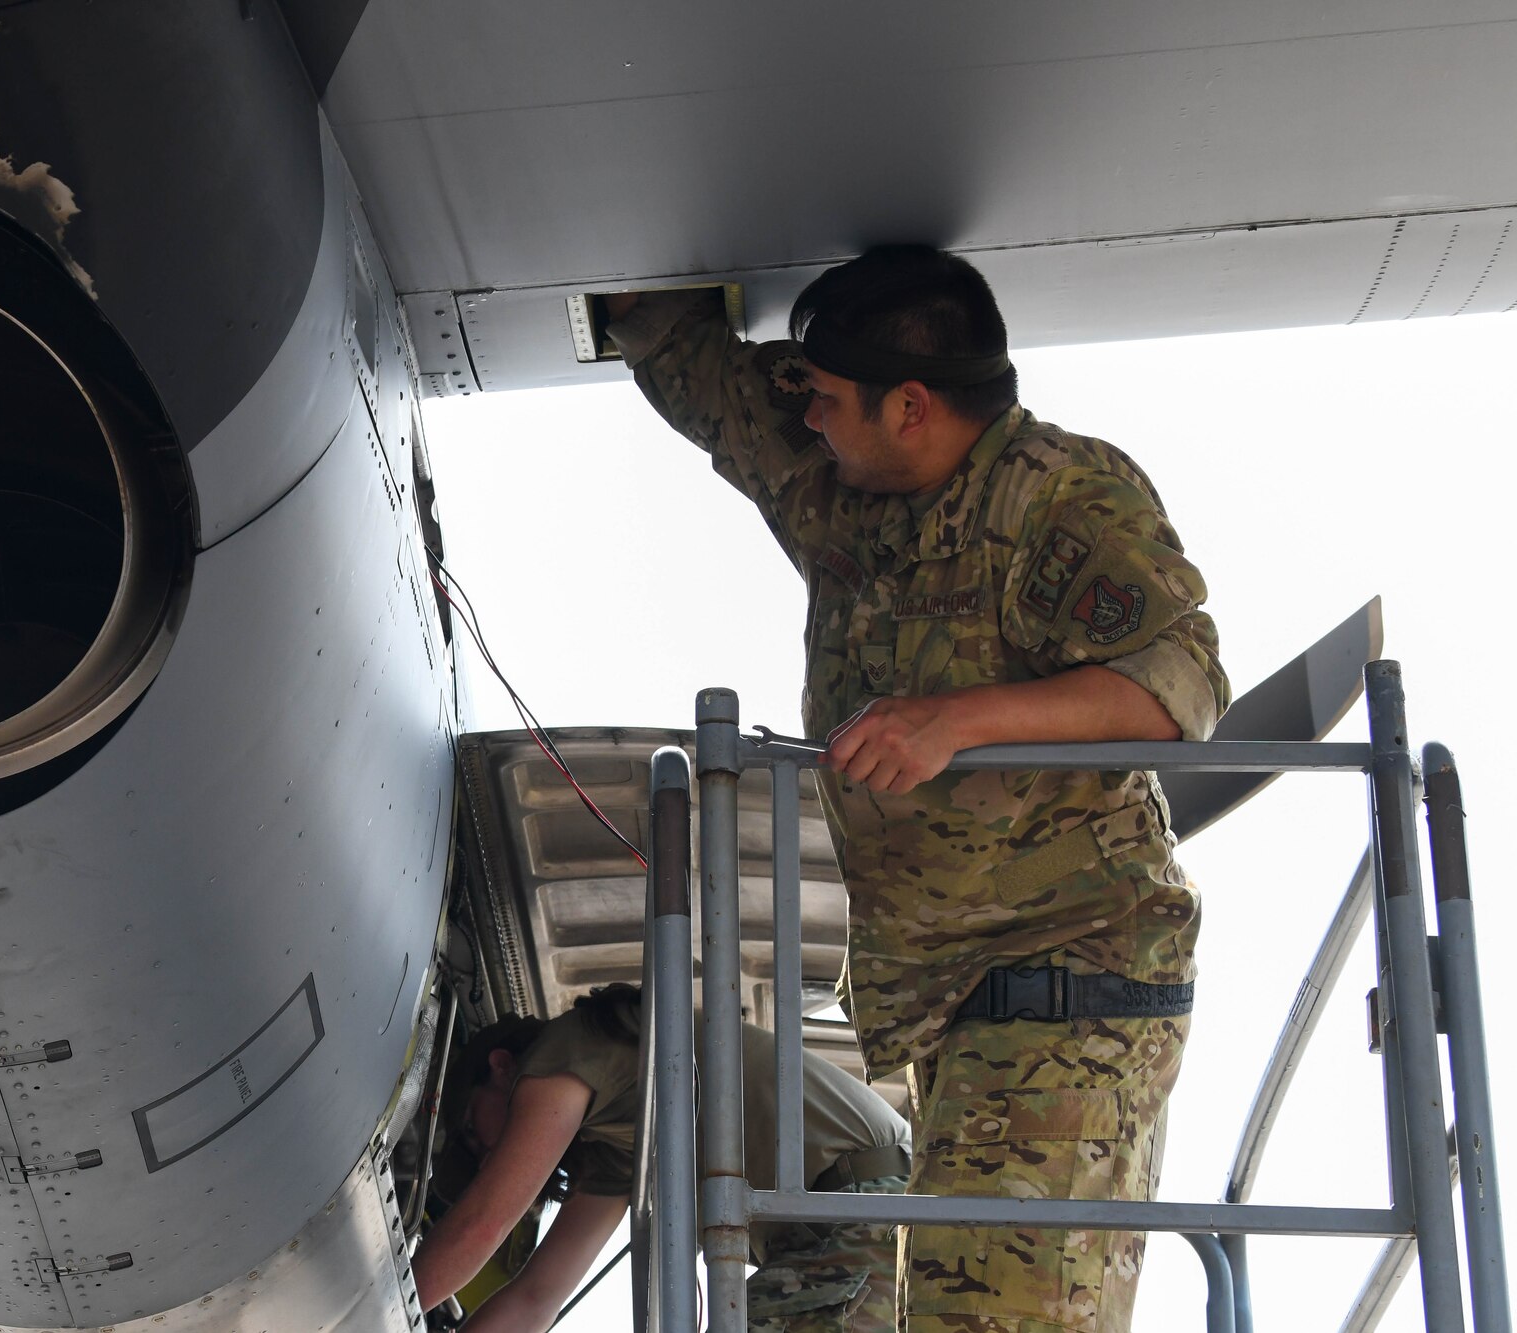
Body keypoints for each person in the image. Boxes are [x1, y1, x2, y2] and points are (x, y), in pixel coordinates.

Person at [602, 245, 1229, 1333]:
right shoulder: (847, 493)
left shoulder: (1054, 499)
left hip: (1067, 984)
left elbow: (1177, 687)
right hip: (950, 1008)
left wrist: (957, 722)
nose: (807, 422)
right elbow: (722, 398)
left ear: (908, 405)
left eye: (827, 401)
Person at [411, 984, 912, 1330]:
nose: (485, 1159)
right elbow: (536, 1297)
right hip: (852, 1227)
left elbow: (483, 1224)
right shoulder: (620, 1137)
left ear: (500, 1069)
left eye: (475, 1134)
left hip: (866, 1208)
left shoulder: (569, 1050)